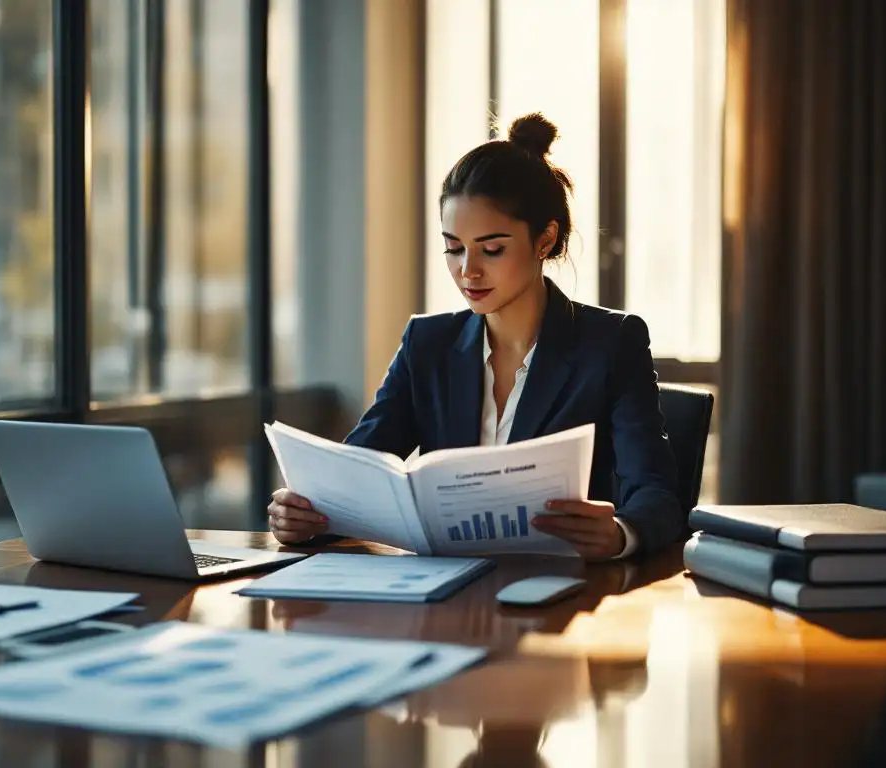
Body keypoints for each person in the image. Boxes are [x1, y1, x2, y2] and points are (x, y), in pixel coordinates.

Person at [268, 113, 684, 559]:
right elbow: (354, 479)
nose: (468, 270)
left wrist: (620, 533)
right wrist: (305, 517)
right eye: (453, 248)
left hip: (562, 587)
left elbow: (658, 497)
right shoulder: (426, 344)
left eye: (492, 249)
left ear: (545, 240)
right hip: (443, 586)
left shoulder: (611, 343)